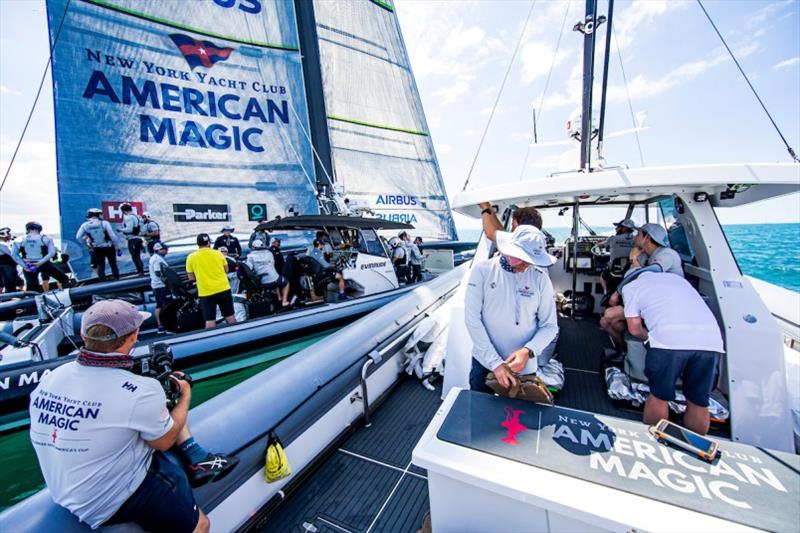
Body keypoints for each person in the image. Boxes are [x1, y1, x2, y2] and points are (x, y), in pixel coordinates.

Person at [29, 299, 237, 532]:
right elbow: (164, 441)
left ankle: (197, 457)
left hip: (64, 491)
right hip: (108, 499)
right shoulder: (140, 390)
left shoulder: (52, 377)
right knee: (201, 525)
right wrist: (185, 396)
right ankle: (196, 458)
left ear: (83, 334)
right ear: (134, 336)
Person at [621, 271, 724, 434]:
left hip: (669, 342)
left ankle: (655, 442)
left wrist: (649, 338)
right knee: (698, 401)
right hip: (710, 342)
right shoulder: (679, 280)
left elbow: (634, 328)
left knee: (659, 396)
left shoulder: (631, 286)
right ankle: (695, 448)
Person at [465, 225, 559, 393]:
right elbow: (472, 319)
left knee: (518, 417)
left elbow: (550, 326)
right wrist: (495, 363)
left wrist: (528, 351)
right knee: (479, 414)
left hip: (523, 366)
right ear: (508, 250)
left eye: (529, 259)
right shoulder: (482, 271)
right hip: (484, 362)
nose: (525, 264)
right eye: (521, 257)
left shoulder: (541, 279)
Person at [601, 223, 684, 348]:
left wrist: (617, 292)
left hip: (664, 306)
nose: (635, 237)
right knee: (606, 322)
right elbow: (629, 276)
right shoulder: (645, 254)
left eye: (638, 234)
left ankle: (657, 343)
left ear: (648, 238)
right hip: (646, 301)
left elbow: (647, 275)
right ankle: (625, 350)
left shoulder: (667, 254)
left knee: (609, 315)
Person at [186, 233, 236, 329]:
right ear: (209, 242)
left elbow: (191, 278)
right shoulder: (218, 253)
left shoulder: (191, 257)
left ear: (198, 243)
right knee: (230, 317)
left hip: (206, 292)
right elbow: (226, 270)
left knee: (210, 321)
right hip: (223, 289)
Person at [13, 221, 70, 292]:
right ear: (39, 229)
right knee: (63, 278)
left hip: (29, 265)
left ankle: (33, 300)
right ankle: (69, 293)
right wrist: (39, 263)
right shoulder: (46, 238)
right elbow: (52, 253)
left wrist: (24, 266)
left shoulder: (19, 240)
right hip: (44, 263)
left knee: (32, 286)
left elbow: (14, 255)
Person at [76, 208, 121, 281]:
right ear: (97, 214)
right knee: (113, 264)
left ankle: (103, 282)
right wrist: (117, 246)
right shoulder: (105, 223)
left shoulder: (85, 225)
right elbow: (112, 236)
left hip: (97, 248)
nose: (101, 215)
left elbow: (78, 237)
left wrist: (86, 244)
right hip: (108, 246)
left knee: (101, 265)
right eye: (100, 214)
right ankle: (117, 278)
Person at [246, 239, 292, 306]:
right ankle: (284, 301)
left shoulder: (250, 256)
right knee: (285, 282)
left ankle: (279, 297)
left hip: (262, 281)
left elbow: (249, 268)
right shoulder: (269, 253)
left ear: (253, 247)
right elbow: (272, 265)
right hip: (273, 278)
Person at [599, 218, 637, 293]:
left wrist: (599, 243)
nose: (616, 229)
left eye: (618, 227)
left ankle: (606, 292)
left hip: (614, 272)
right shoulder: (636, 240)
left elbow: (600, 245)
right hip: (630, 272)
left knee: (602, 276)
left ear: (624, 228)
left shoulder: (613, 239)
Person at [478, 202, 543, 241]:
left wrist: (485, 207)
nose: (512, 226)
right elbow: (501, 233)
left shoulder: (518, 242)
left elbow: (490, 234)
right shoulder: (535, 242)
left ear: (516, 224)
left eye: (512, 224)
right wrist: (489, 209)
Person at [148, 242, 170, 334]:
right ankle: (162, 325)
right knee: (161, 305)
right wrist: (167, 281)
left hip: (157, 285)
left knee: (160, 305)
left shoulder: (154, 257)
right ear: (159, 249)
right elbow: (158, 272)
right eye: (165, 249)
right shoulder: (157, 259)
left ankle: (162, 325)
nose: (167, 251)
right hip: (160, 285)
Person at [120, 203, 145, 276]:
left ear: (124, 211)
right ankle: (140, 271)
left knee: (135, 256)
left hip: (132, 239)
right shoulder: (137, 216)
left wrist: (120, 229)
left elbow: (129, 230)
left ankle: (140, 271)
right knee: (137, 256)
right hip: (138, 238)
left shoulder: (129, 217)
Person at [0, 227, 23, 293]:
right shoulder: (2, 244)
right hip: (6, 267)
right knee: (10, 283)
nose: (10, 235)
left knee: (18, 281)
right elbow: (12, 254)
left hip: (6, 267)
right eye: (9, 234)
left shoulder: (6, 243)